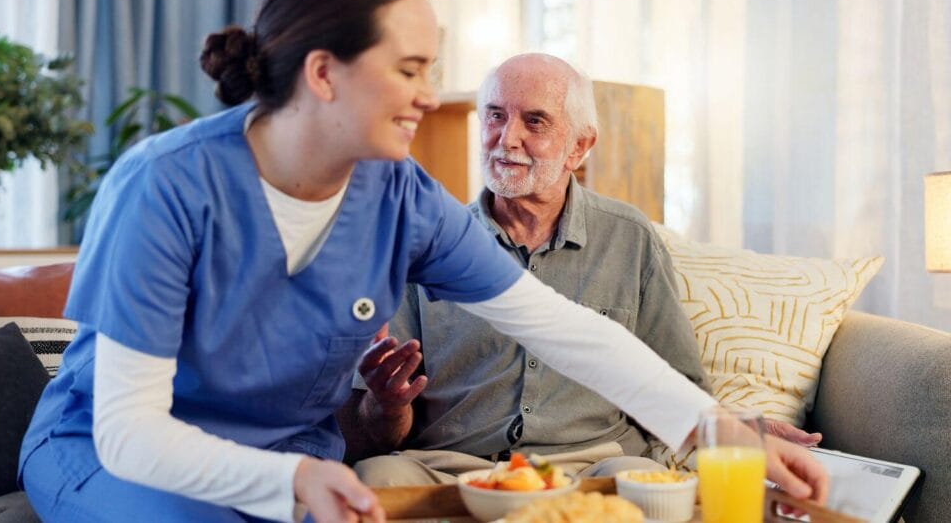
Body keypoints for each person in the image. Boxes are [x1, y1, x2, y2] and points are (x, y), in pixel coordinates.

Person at [18, 0, 826, 522]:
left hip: (291, 458)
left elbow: (554, 322)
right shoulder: (166, 187)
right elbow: (130, 433)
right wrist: (289, 483)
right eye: (409, 69)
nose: (430, 94)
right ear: (325, 74)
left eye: (430, 70)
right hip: (117, 452)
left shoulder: (399, 196)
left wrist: (712, 426)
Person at [345, 53, 823, 488]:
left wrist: (732, 428)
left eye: (534, 121)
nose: (506, 138)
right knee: (375, 478)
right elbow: (369, 430)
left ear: (580, 146)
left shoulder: (629, 236)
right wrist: (386, 403)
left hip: (593, 465)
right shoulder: (427, 237)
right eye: (495, 115)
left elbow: (664, 376)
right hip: (452, 466)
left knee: (646, 486)